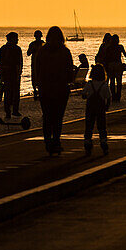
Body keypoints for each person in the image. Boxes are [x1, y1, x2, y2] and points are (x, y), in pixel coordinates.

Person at [34, 26, 74, 155]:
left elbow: (37, 69)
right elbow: (69, 71)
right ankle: (56, 141)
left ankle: (48, 141)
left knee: (47, 116)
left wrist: (36, 84)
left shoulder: (42, 51)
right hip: (61, 88)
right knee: (58, 117)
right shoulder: (65, 52)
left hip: (45, 88)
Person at [81, 65, 110, 156]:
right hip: (100, 108)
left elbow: (83, 95)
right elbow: (108, 97)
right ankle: (103, 142)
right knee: (101, 126)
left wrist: (87, 96)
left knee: (89, 126)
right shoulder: (104, 85)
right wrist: (107, 107)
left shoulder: (89, 84)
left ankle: (87, 142)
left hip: (90, 108)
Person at [0, 32, 24, 117]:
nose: (17, 40)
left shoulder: (3, 48)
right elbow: (19, 62)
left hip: (7, 73)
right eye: (16, 38)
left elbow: (0, 62)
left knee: (8, 93)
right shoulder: (16, 49)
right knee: (14, 93)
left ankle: (9, 111)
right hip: (12, 73)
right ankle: (13, 110)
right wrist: (19, 72)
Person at [26, 29, 44, 97]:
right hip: (34, 63)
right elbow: (28, 53)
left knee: (40, 77)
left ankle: (39, 91)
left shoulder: (43, 44)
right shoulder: (32, 44)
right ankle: (35, 91)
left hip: (41, 64)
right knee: (34, 77)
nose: (38, 38)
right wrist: (32, 50)